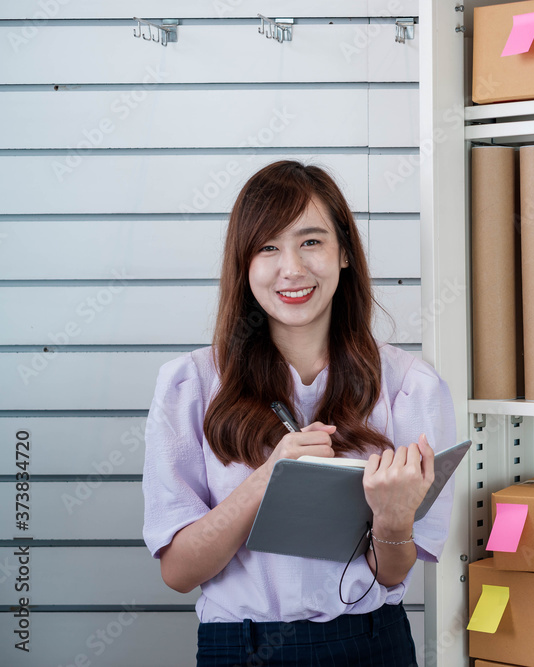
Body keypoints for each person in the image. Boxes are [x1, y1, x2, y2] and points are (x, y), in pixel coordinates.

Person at [141, 160, 457, 666]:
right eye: (268, 247)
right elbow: (179, 573)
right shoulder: (190, 385)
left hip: (372, 643)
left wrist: (393, 516)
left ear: (345, 253)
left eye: (311, 241)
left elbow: (392, 573)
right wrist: (268, 479)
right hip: (241, 648)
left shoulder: (410, 386)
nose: (291, 268)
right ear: (243, 264)